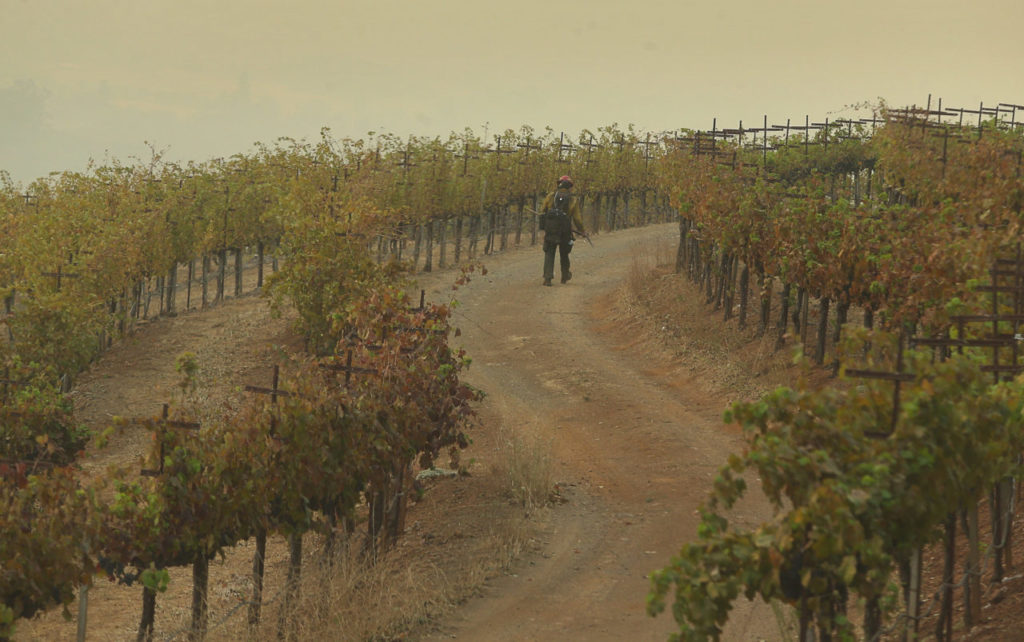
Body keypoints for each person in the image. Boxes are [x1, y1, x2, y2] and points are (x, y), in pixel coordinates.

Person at [538, 175, 586, 286]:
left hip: (551, 230)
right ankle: (564, 276)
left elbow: (542, 211)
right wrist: (582, 230)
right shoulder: (573, 199)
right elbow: (577, 218)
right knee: (564, 253)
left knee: (549, 252)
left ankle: (547, 278)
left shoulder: (550, 196)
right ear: (570, 186)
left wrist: (545, 226)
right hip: (565, 231)